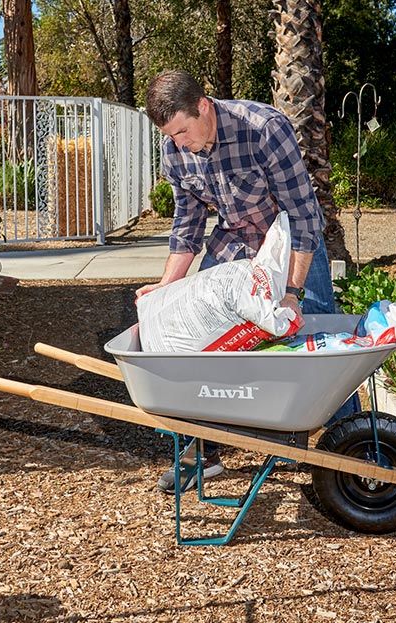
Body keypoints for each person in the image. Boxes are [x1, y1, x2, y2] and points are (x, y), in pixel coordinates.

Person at [137, 69, 357, 493]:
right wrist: (166, 288)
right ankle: (205, 451)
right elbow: (188, 225)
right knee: (197, 338)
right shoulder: (175, 151)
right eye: (172, 136)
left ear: (203, 106)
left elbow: (304, 216)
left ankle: (351, 446)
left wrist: (291, 294)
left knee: (322, 339)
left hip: (289, 241)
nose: (179, 142)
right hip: (236, 241)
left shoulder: (264, 129)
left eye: (183, 131)